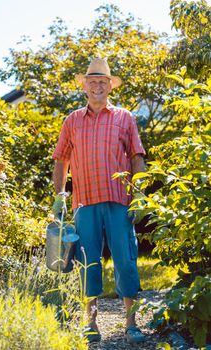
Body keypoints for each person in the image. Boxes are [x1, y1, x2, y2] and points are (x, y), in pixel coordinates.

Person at [52, 57, 146, 344]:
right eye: (92, 82)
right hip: (85, 202)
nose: (97, 86)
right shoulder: (73, 120)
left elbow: (136, 156)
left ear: (109, 86)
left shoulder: (125, 117)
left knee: (126, 261)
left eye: (102, 82)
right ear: (84, 86)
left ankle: (131, 322)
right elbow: (61, 159)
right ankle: (90, 322)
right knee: (88, 262)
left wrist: (141, 194)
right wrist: (59, 196)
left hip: (119, 200)